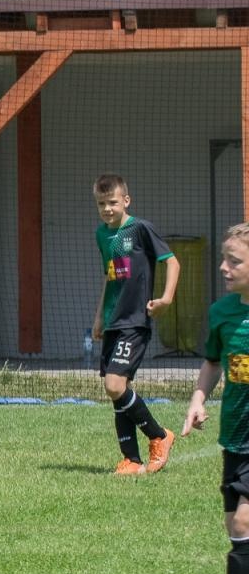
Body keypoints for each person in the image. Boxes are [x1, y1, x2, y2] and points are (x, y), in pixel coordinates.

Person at [182, 225, 249, 574]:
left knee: (243, 524)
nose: (223, 268)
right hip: (235, 437)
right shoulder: (222, 312)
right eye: (223, 259)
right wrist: (198, 399)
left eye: (234, 261)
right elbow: (212, 362)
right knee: (234, 527)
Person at [92, 174, 179, 475]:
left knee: (113, 384)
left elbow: (172, 261)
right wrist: (100, 317)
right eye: (101, 203)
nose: (107, 208)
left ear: (126, 200)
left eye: (113, 202)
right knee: (119, 391)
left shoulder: (141, 229)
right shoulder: (102, 235)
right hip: (114, 321)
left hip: (135, 320)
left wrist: (166, 299)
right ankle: (132, 459)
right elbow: (111, 276)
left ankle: (159, 435)